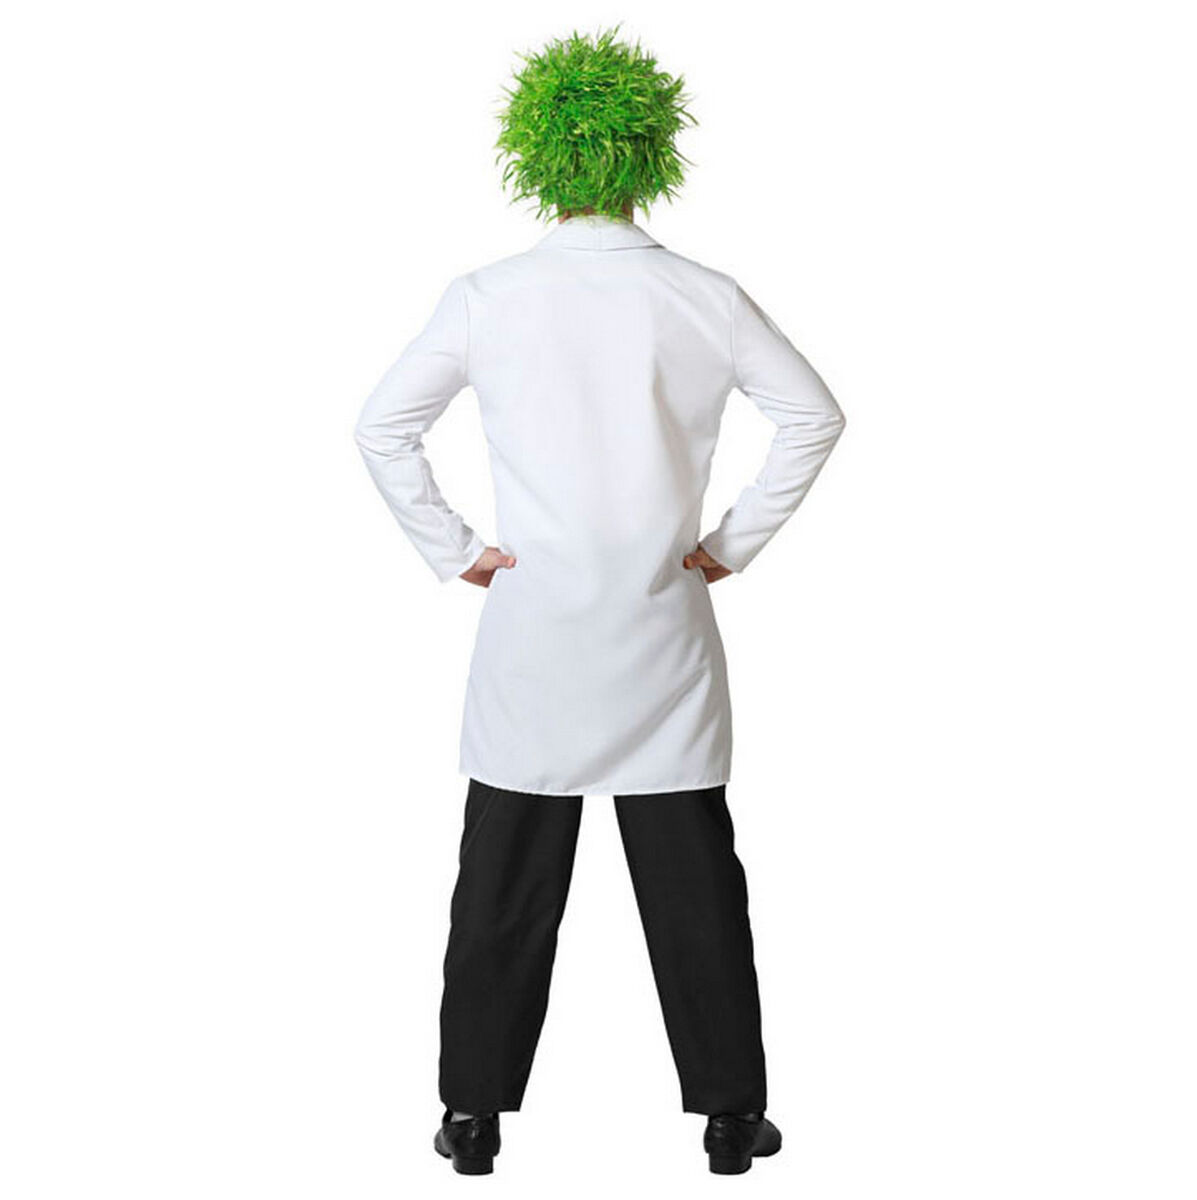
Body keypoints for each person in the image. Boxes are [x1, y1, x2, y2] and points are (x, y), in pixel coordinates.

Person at [353, 26, 845, 1176]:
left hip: (533, 628)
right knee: (694, 880)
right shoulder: (704, 297)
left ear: (539, 155)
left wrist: (455, 549)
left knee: (503, 880)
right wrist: (727, 547)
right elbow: (814, 417)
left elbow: (380, 427)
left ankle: (473, 1117)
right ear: (650, 154)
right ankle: (731, 1118)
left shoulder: (489, 296)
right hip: (662, 622)